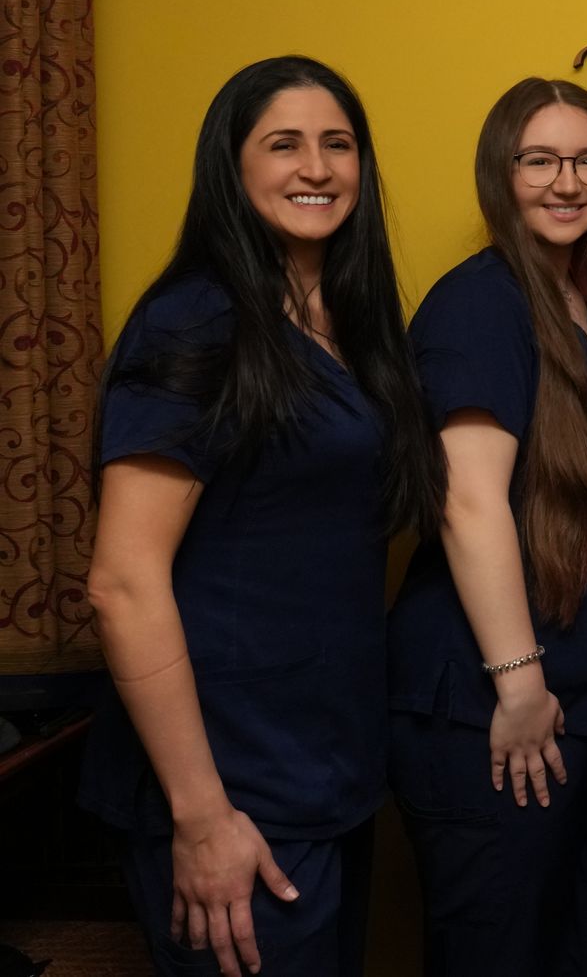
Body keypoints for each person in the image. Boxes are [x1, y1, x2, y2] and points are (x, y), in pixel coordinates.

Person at [82, 55, 443, 977]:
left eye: (338, 145)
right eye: (283, 145)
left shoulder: (350, 325)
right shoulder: (195, 321)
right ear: (231, 169)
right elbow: (123, 583)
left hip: (326, 774)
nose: (316, 169)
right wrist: (202, 818)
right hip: (230, 788)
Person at [386, 78, 587, 976]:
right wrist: (518, 682)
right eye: (538, 160)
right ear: (499, 174)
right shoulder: (482, 301)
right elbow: (467, 499)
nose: (566, 181)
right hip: (497, 711)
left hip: (583, 709)